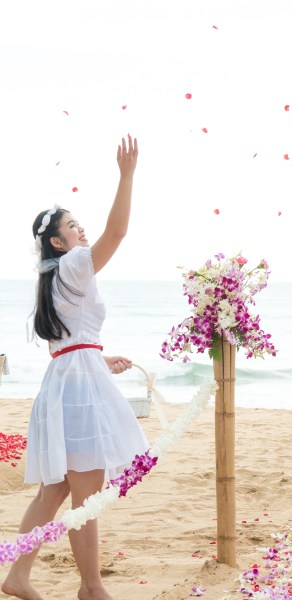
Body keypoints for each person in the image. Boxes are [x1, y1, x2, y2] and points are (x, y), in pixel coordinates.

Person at [2, 135, 146, 600]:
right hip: (77, 392)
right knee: (85, 494)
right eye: (73, 225)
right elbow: (118, 233)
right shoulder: (73, 265)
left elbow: (62, 346)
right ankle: (91, 587)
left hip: (66, 382)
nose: (81, 230)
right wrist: (126, 176)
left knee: (54, 493)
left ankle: (18, 577)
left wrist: (99, 359)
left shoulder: (50, 278)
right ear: (58, 241)